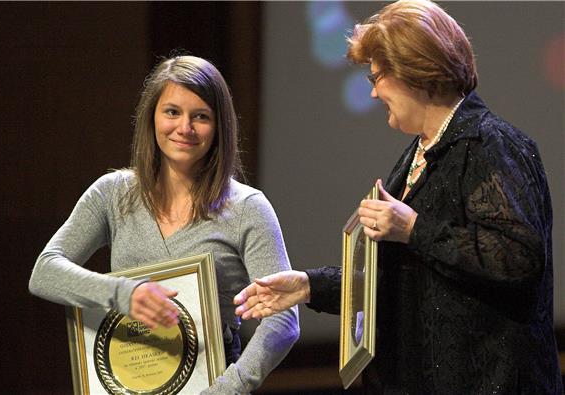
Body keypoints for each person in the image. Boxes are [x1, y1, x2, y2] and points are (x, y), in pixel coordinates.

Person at [233, 1, 563, 393]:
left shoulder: (490, 143)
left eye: (377, 77)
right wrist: (308, 287)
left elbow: (518, 260)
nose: (373, 94)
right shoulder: (417, 155)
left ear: (414, 73)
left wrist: (414, 227)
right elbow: (398, 276)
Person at [29, 54, 299, 394]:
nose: (184, 128)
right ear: (151, 117)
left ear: (219, 128)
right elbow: (45, 272)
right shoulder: (112, 194)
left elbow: (283, 320)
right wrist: (124, 294)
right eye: (172, 112)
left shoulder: (247, 207)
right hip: (128, 377)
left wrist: (232, 386)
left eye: (200, 116)